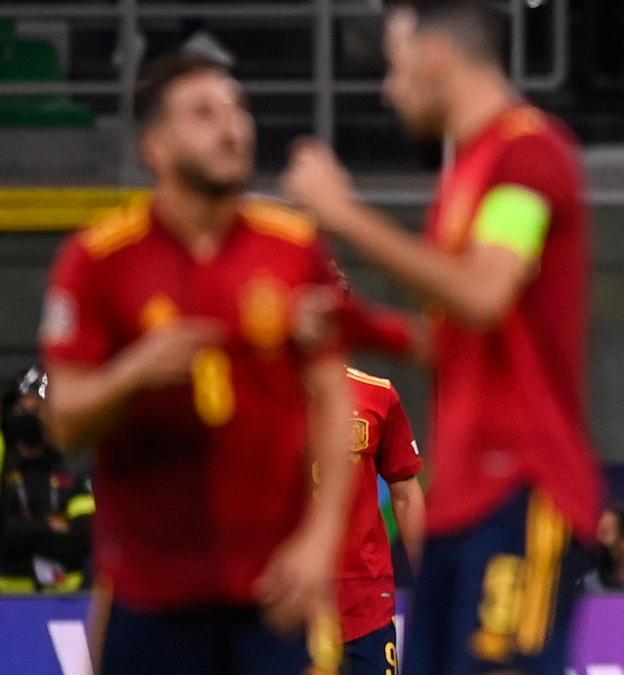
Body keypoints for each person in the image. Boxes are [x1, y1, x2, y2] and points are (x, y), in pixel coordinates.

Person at [281, 1, 603, 672]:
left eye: (394, 69)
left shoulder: (528, 152)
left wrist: (343, 212)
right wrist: (357, 322)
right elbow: (449, 338)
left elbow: (483, 294)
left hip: (522, 484)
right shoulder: (466, 173)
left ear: (435, 58)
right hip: (461, 499)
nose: (387, 90)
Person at [40, 51, 353, 675]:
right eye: (204, 114)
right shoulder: (97, 260)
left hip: (272, 592)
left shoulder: (293, 247)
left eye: (238, 109)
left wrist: (320, 542)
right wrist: (132, 372)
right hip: (151, 598)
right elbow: (64, 422)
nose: (232, 127)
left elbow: (334, 399)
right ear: (155, 145)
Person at [336, 366, 424, 675]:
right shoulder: (260, 393)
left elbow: (406, 492)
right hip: (288, 604)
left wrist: (427, 580)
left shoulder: (378, 394)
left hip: (366, 603)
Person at [0, 365, 94, 593]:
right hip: (7, 602)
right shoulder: (4, 470)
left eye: (37, 408)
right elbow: (5, 536)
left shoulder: (72, 471)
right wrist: (48, 526)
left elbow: (84, 537)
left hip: (66, 601)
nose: (30, 415)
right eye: (24, 408)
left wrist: (25, 529)